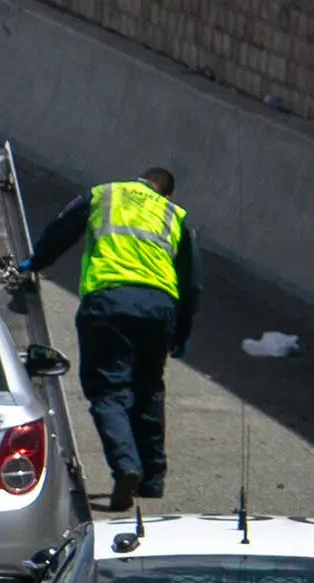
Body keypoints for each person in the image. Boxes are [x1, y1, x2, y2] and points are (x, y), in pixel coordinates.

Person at [26, 167, 200, 512]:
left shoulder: (102, 194)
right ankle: (153, 479)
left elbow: (61, 230)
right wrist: (182, 331)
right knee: (149, 388)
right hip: (159, 307)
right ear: (165, 194)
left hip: (110, 302)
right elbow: (192, 283)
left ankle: (125, 466)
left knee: (108, 390)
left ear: (139, 179)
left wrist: (36, 262)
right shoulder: (174, 215)